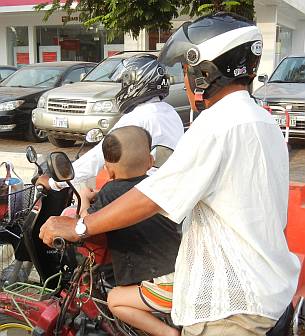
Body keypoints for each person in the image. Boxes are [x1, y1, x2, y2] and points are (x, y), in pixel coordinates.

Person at [40, 13, 300, 336]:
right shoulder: (264, 123)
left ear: (204, 72)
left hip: (232, 311)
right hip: (271, 295)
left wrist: (80, 225)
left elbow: (153, 197)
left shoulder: (217, 125)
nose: (187, 81)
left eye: (188, 70)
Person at [79, 125, 181, 336]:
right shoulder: (156, 185)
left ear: (108, 170)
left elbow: (86, 225)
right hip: (184, 272)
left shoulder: (110, 192)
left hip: (167, 287)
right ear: (151, 162)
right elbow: (131, 193)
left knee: (115, 300)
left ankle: (168, 334)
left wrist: (83, 200)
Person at [38, 54, 184, 190]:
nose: (123, 88)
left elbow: (100, 155)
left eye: (125, 83)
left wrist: (56, 183)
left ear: (137, 82)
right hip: (166, 189)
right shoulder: (170, 112)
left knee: (70, 214)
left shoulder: (139, 116)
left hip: (145, 191)